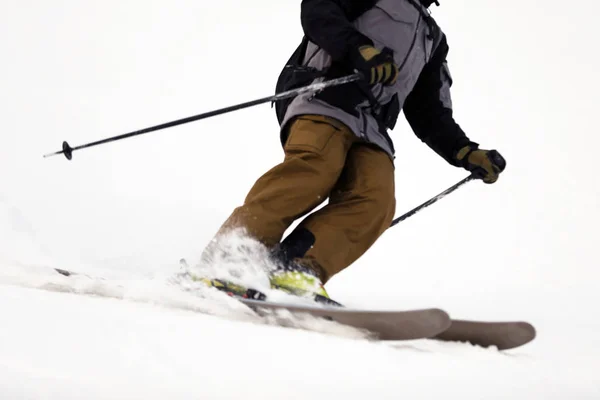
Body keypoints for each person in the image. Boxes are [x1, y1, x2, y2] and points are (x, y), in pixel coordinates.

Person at [199, 0, 506, 301]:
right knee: (316, 168)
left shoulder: (432, 40)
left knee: (376, 200)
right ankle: (232, 255)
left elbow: (430, 111)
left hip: (372, 126)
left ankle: (296, 269)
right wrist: (360, 50)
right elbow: (319, 9)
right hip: (326, 96)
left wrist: (465, 151)